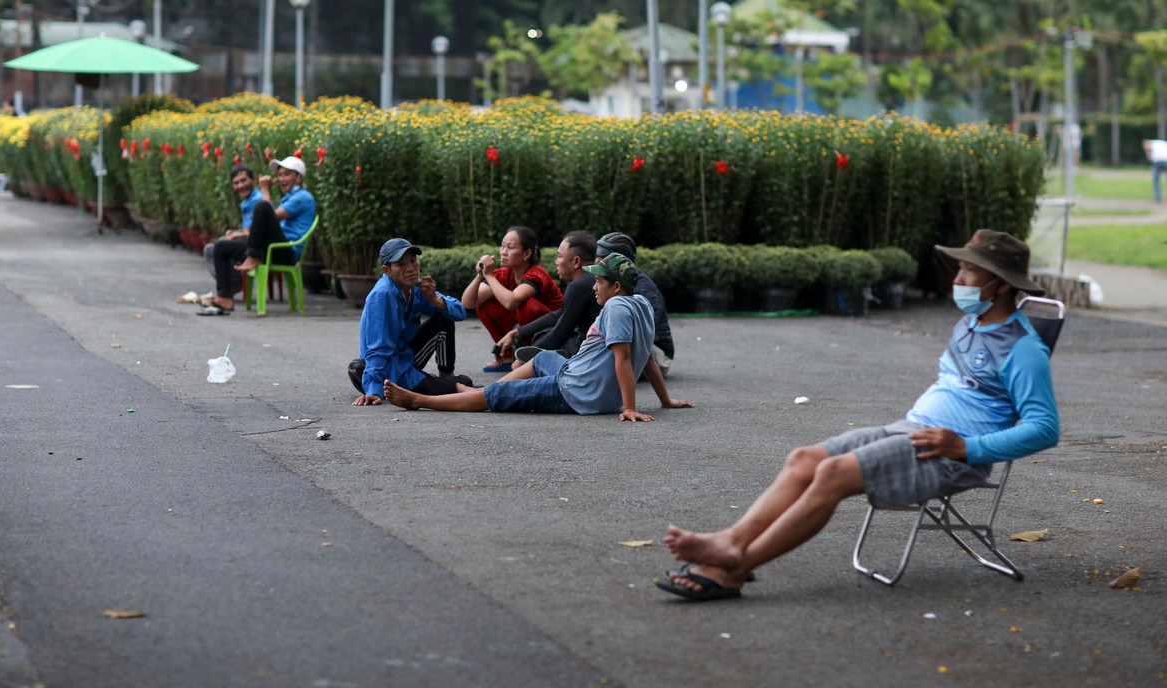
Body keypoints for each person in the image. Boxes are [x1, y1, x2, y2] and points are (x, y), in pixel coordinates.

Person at [656, 229, 1059, 601]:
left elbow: (1044, 429)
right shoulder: (971, 322)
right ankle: (731, 540)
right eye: (961, 267)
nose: (959, 278)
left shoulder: (1023, 348)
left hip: (950, 456)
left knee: (832, 474)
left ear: (1002, 283)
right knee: (804, 459)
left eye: (972, 271)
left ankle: (735, 569)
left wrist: (965, 447)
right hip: (912, 430)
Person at [383, 253, 694, 421]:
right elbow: (647, 358)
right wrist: (664, 401)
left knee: (495, 400)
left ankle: (421, 400)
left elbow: (625, 357)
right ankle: (473, 393)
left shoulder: (615, 307)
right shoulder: (639, 304)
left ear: (615, 287)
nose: (593, 287)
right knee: (543, 357)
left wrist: (628, 407)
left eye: (599, 281)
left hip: (575, 391)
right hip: (576, 375)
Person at [348, 238, 473, 406]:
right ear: (387, 270)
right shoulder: (383, 295)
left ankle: (446, 374)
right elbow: (378, 348)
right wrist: (372, 391)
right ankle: (394, 384)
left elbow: (459, 313)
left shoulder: (416, 288)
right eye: (401, 264)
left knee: (443, 315)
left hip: (405, 355)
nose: (411, 268)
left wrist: (435, 299)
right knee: (463, 383)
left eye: (413, 260)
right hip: (389, 363)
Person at [199, 155, 316, 315]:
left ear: (299, 178)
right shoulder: (289, 197)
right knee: (221, 246)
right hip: (271, 249)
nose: (281, 179)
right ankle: (224, 298)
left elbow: (270, 217)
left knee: (262, 206)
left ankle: (254, 255)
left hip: (285, 252)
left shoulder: (303, 197)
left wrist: (265, 190)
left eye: (287, 174)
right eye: (280, 175)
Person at [461, 226, 563, 371]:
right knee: (485, 306)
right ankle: (507, 355)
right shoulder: (504, 274)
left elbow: (511, 302)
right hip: (525, 328)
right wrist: (480, 276)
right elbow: (468, 302)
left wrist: (489, 276)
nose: (503, 252)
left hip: (553, 330)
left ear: (527, 254)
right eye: (502, 246)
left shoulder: (536, 275)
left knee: (527, 305)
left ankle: (531, 356)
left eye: (510, 247)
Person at [494, 230, 599, 364]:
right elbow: (561, 314)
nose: (556, 262)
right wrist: (518, 332)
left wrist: (526, 358)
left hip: (588, 355)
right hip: (602, 350)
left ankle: (559, 363)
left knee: (543, 336)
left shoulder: (578, 286)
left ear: (576, 261)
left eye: (560, 256)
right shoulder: (594, 278)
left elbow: (559, 334)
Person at [596, 232, 675, 376]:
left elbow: (639, 338)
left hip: (658, 353)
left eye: (602, 257)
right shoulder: (609, 283)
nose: (596, 261)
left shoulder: (643, 291)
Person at [201, 165, 263, 285]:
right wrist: (238, 232)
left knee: (216, 248)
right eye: (236, 183)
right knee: (220, 243)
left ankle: (231, 284)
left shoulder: (258, 200)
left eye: (243, 180)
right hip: (250, 243)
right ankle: (230, 284)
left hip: (258, 248)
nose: (240, 186)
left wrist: (239, 235)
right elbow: (251, 228)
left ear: (254, 180)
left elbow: (259, 233)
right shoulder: (247, 202)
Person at [1143, 139, 1167, 203]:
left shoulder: (1151, 143)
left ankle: (1158, 199)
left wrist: (1148, 155)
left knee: (1156, 180)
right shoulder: (1164, 143)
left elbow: (1146, 145)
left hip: (1156, 162)